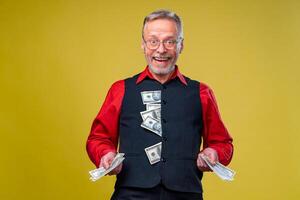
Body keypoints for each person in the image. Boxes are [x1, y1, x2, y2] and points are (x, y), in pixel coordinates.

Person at [86, 9, 233, 200]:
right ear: (143, 45)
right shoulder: (120, 89)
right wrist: (105, 154)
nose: (161, 49)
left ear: (181, 45)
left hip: (186, 194)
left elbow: (222, 143)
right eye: (153, 41)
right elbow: (98, 138)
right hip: (130, 194)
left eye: (170, 41)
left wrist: (214, 152)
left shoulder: (202, 92)